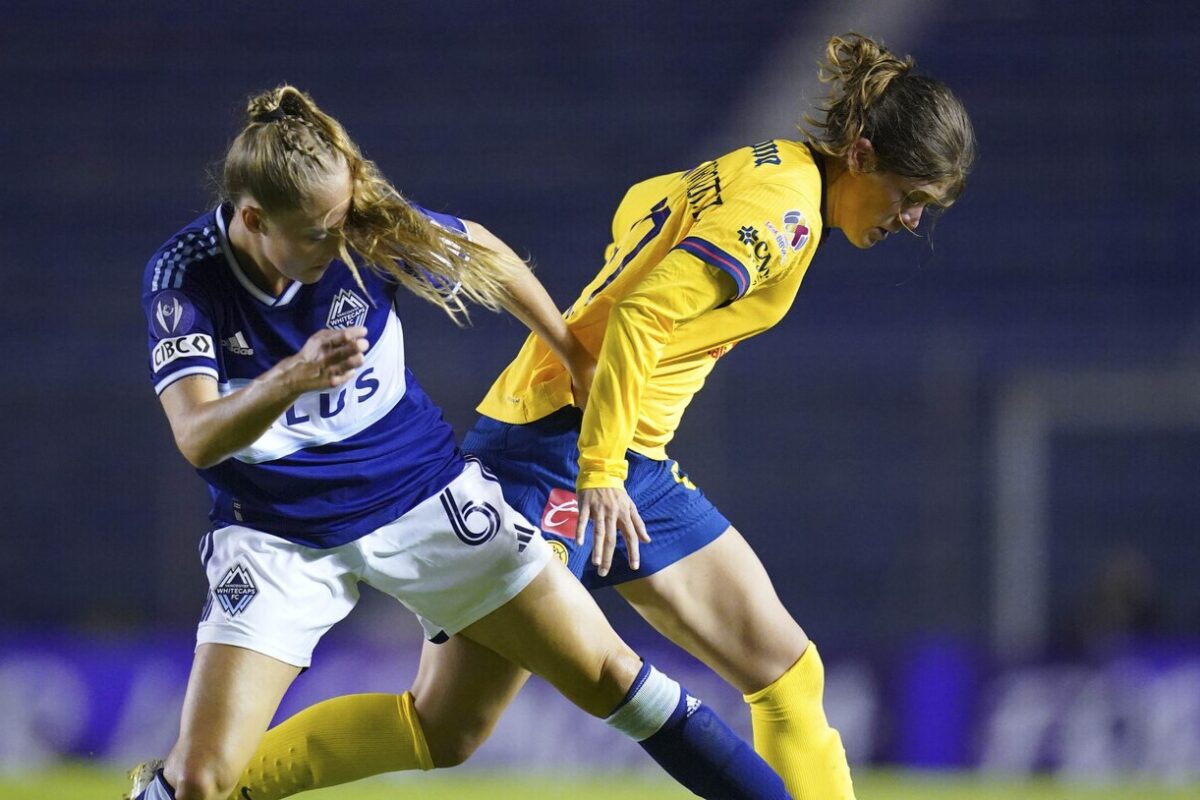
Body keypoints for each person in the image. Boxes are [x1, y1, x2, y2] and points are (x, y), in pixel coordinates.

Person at [146, 29, 977, 800]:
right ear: (862, 154)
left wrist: (603, 395)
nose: (911, 220)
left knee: (787, 670)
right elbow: (649, 311)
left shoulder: (768, 166)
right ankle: (209, 789)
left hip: (620, 451)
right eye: (910, 198)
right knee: (449, 724)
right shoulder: (783, 215)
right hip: (562, 451)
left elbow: (639, 208)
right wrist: (602, 464)